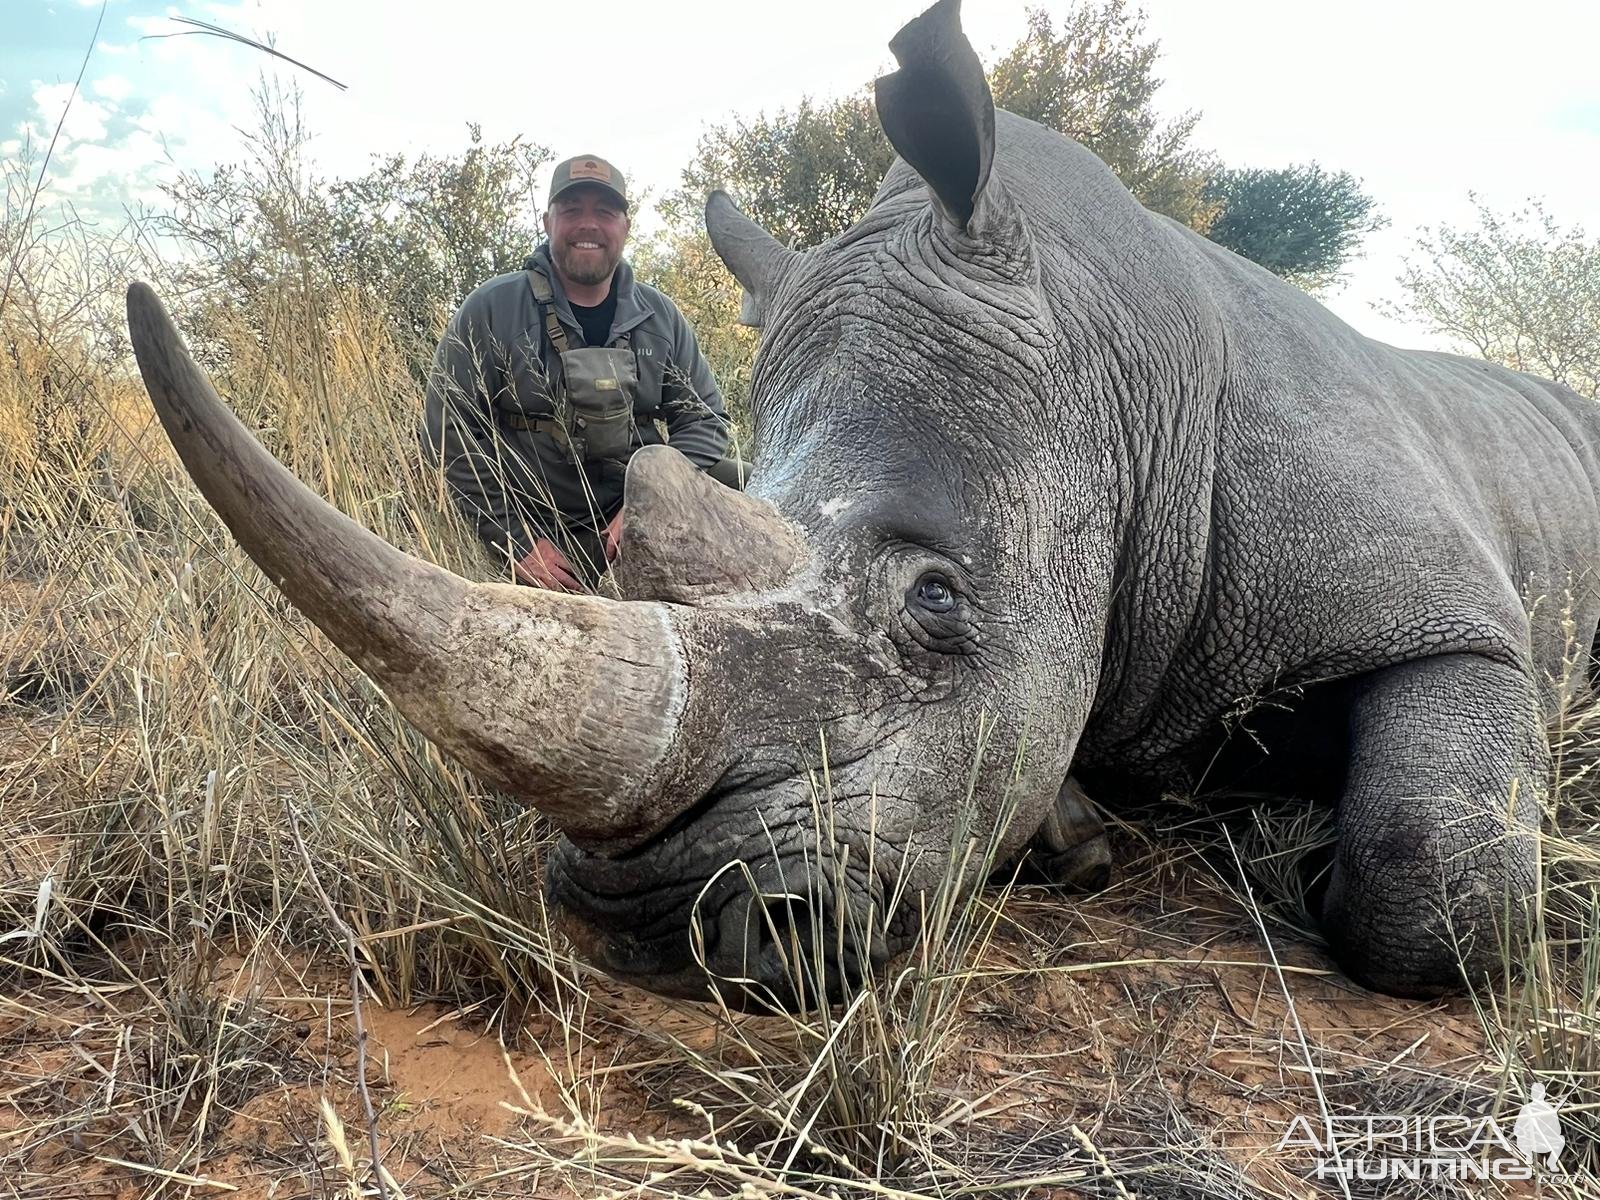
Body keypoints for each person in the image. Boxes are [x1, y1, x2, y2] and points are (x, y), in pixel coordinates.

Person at [422, 153, 741, 592]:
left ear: (625, 227)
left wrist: (649, 502)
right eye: (572, 211)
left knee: (755, 481)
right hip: (542, 532)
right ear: (548, 221)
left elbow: (706, 422)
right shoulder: (492, 307)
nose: (588, 225)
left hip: (640, 518)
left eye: (605, 212)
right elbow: (448, 433)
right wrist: (517, 542)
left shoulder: (659, 315)